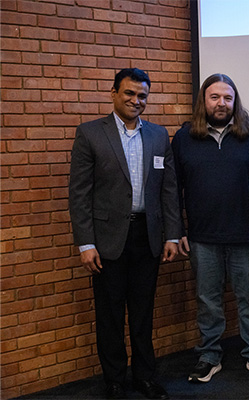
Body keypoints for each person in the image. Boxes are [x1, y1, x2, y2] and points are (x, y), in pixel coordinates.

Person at [69, 68, 179, 400]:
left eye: (142, 95)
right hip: (106, 241)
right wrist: (85, 243)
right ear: (114, 93)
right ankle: (114, 380)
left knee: (144, 312)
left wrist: (173, 235)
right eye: (129, 93)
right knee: (110, 313)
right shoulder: (90, 134)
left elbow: (169, 190)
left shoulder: (159, 135)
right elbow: (79, 193)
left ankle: (145, 376)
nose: (136, 100)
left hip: (148, 237)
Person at [171, 73, 249, 384]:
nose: (221, 103)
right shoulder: (185, 137)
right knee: (207, 299)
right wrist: (178, 230)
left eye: (227, 98)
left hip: (247, 234)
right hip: (202, 237)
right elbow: (172, 187)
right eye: (215, 97)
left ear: (235, 101)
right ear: (203, 100)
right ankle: (209, 355)